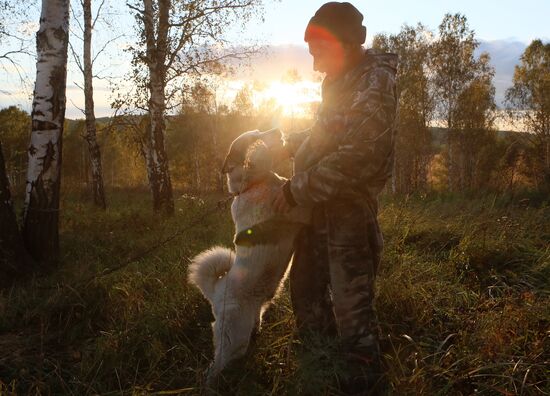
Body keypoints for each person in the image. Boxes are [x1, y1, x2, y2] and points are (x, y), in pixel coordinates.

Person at [271, 2, 398, 394]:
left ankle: (363, 376)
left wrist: (296, 188)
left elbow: (359, 157)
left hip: (348, 207)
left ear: (344, 43)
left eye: (318, 53)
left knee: (351, 304)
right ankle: (320, 363)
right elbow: (328, 132)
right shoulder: (338, 79)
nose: (314, 65)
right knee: (305, 294)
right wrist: (296, 147)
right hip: (317, 202)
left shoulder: (375, 81)